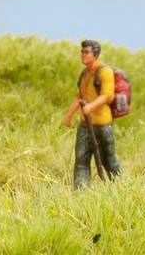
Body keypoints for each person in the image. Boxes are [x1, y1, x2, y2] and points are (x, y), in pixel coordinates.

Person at [62, 38, 120, 185]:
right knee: (81, 159)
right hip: (85, 125)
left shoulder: (105, 71)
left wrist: (90, 107)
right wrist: (69, 116)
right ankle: (80, 193)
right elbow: (79, 97)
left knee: (108, 159)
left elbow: (107, 96)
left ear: (95, 54)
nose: (82, 54)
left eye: (86, 52)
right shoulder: (84, 74)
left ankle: (123, 186)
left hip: (102, 124)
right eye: (82, 51)